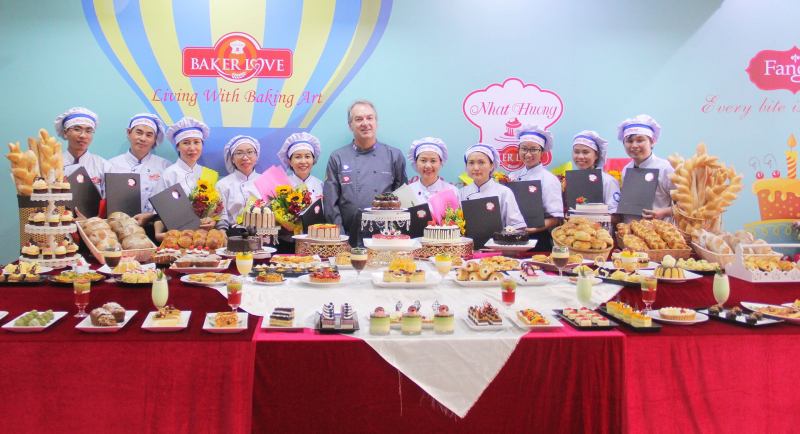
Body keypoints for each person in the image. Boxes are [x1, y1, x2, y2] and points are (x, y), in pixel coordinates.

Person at [323, 100, 407, 241]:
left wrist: (393, 236)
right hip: (348, 237)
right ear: (350, 125)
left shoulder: (394, 155)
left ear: (376, 122)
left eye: (369, 118)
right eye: (358, 119)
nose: (365, 123)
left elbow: (402, 201)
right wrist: (340, 238)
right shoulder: (337, 157)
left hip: (386, 238)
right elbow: (331, 203)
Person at [154, 117, 217, 239]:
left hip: (204, 237)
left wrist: (213, 220)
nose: (192, 148)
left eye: (196, 142)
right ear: (178, 147)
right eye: (186, 143)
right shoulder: (169, 174)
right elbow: (159, 211)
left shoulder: (210, 174)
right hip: (177, 236)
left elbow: (216, 208)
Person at [108, 113, 170, 225]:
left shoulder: (165, 166)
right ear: (129, 133)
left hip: (155, 227)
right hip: (120, 227)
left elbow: (169, 203)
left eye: (149, 135)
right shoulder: (111, 165)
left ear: (155, 139)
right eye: (139, 132)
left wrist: (151, 216)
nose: (143, 138)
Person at [507, 125, 564, 249]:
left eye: (533, 149)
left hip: (538, 239)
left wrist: (533, 229)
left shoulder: (549, 179)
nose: (528, 154)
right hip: (511, 236)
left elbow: (555, 218)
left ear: (542, 152)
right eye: (524, 149)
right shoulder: (512, 177)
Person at [617, 114, 675, 222]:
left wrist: (663, 212)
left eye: (640, 140)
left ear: (652, 142)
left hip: (658, 230)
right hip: (630, 230)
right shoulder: (626, 170)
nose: (634, 145)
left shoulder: (666, 169)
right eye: (629, 141)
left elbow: (684, 206)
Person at [459, 144, 526, 229]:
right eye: (471, 163)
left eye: (481, 162)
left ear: (491, 166)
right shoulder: (461, 193)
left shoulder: (504, 192)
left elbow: (517, 226)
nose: (476, 168)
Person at [55, 107, 111, 197]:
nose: (83, 135)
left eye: (88, 131)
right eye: (77, 129)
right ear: (65, 133)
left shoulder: (103, 166)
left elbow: (109, 200)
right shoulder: (53, 165)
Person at [216, 135, 262, 232]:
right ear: (232, 159)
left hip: (264, 234)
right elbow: (221, 217)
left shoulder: (266, 180)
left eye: (250, 152)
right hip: (233, 234)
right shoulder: (222, 184)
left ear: (256, 156)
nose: (245, 157)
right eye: (239, 153)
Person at [570, 130, 620, 213]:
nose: (580, 156)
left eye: (585, 152)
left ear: (596, 155)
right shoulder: (569, 181)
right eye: (576, 152)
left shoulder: (608, 181)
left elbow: (615, 214)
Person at [407, 137, 459, 202]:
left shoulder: (452, 191)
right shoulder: (408, 192)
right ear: (416, 162)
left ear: (441, 163)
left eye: (433, 161)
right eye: (423, 160)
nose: (428, 166)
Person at [278, 132, 324, 202]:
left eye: (307, 156)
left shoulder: (321, 185)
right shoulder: (282, 187)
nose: (303, 161)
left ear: (313, 160)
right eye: (298, 157)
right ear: (290, 162)